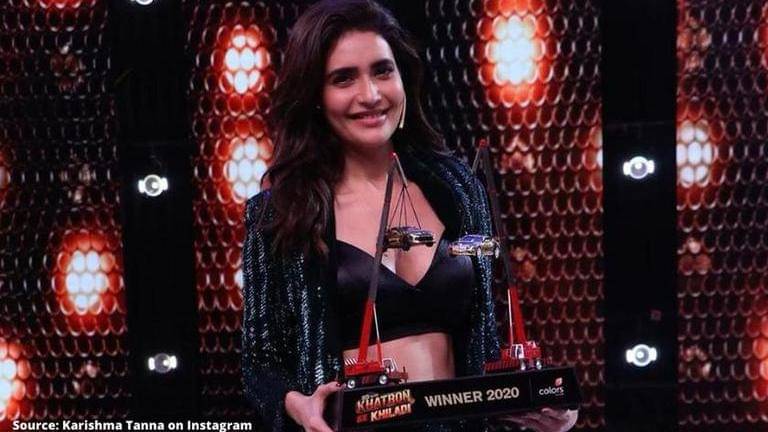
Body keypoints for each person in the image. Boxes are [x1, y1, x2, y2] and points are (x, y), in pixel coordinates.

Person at [241, 1, 578, 431]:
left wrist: (542, 405)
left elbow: (484, 339)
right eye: (344, 78)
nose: (370, 95)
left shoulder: (458, 187)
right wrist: (299, 406)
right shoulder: (280, 213)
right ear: (315, 97)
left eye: (383, 71)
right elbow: (260, 364)